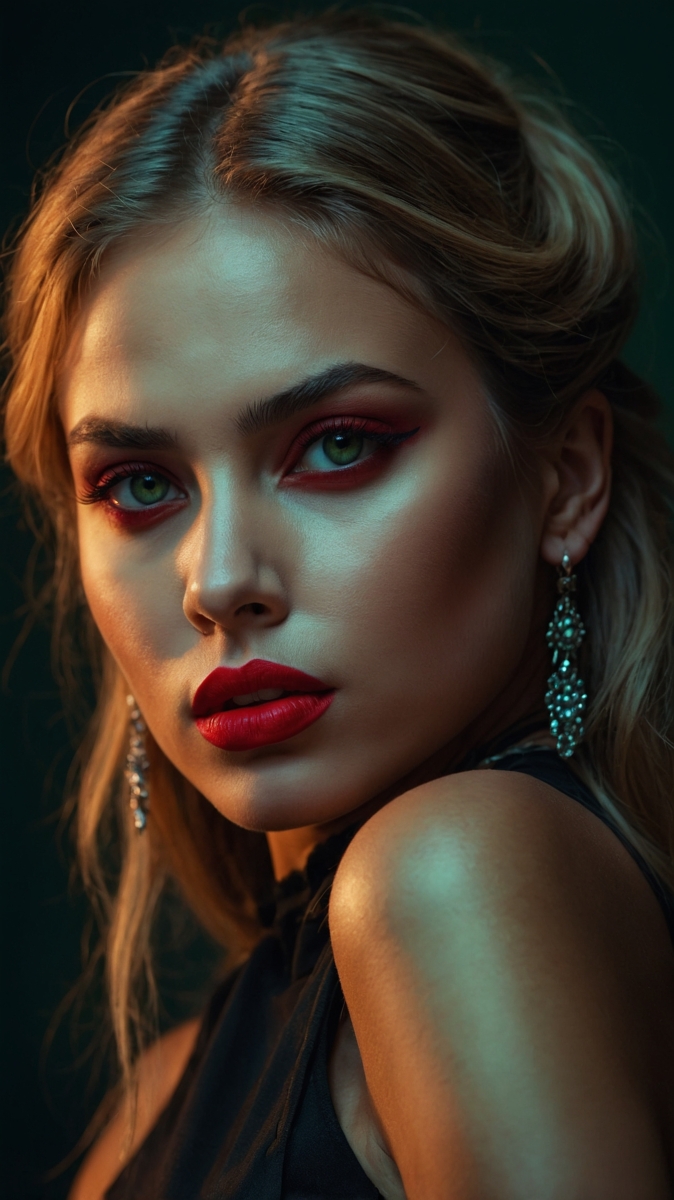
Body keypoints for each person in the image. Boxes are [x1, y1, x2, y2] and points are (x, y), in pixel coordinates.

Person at [4, 11, 674, 1198]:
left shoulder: (449, 876)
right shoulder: (162, 1093)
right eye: (139, 485)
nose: (218, 584)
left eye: (336, 447)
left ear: (564, 476)